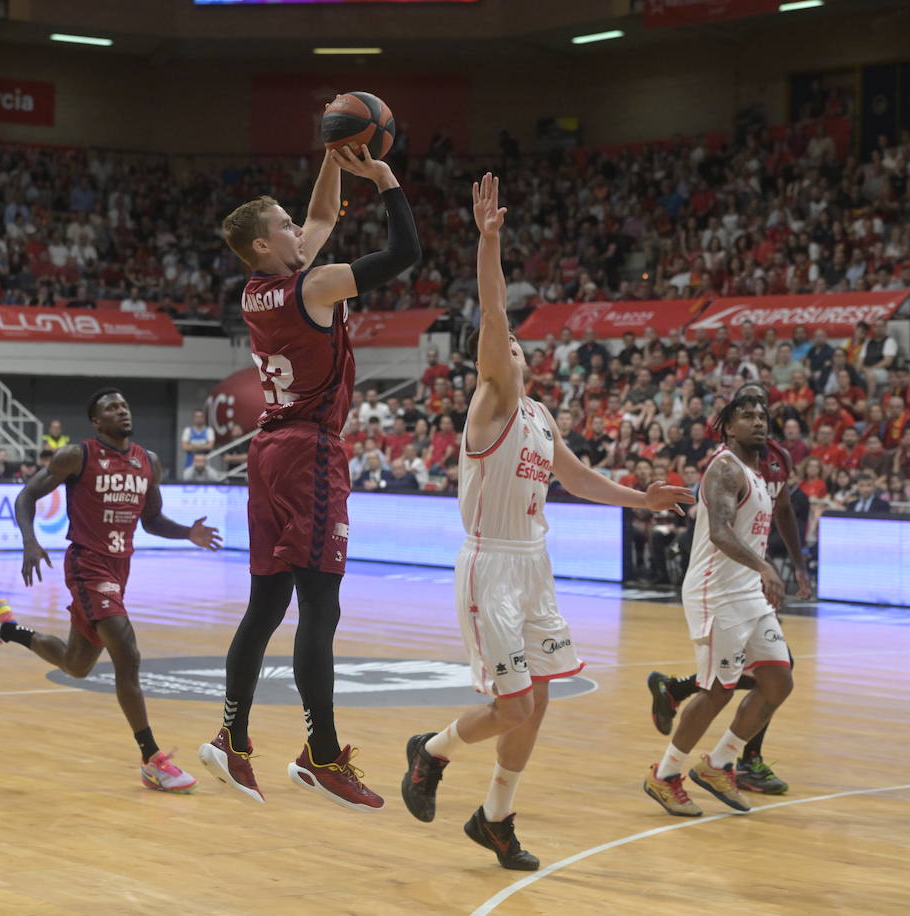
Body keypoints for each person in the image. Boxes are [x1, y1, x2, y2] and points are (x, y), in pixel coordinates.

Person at [399, 175, 692, 868]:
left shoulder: (538, 418)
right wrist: (489, 243)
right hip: (491, 563)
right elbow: (495, 316)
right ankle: (431, 752)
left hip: (535, 564)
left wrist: (638, 499)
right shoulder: (493, 403)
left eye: (520, 350)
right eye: (506, 349)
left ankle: (496, 817)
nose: (516, 353)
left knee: (541, 699)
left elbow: (577, 478)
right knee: (513, 708)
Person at [197, 142, 420, 811]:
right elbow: (403, 255)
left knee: (266, 606)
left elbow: (322, 212)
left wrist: (331, 153)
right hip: (309, 454)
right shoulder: (313, 286)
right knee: (320, 606)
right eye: (287, 226)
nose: (302, 229)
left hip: (267, 454)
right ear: (265, 245)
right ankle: (321, 755)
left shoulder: (259, 288)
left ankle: (231, 739)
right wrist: (385, 180)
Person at [0, 388, 223, 791]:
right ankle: (152, 758)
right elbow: (27, 496)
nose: (121, 410)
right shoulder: (77, 455)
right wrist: (30, 541)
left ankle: (5, 628)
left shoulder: (147, 461)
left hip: (119, 570)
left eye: (124, 405)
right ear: (96, 422)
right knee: (128, 652)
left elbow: (152, 520)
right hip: (87, 566)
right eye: (111, 408)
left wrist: (187, 532)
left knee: (76, 664)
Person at [645, 381, 811, 795]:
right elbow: (719, 531)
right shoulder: (724, 468)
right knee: (718, 690)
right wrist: (765, 566)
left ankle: (721, 762)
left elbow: (782, 512)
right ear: (728, 427)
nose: (758, 422)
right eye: (747, 416)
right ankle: (665, 775)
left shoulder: (762, 470)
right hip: (715, 592)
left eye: (762, 416)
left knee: (778, 680)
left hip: (748, 593)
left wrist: (774, 571)